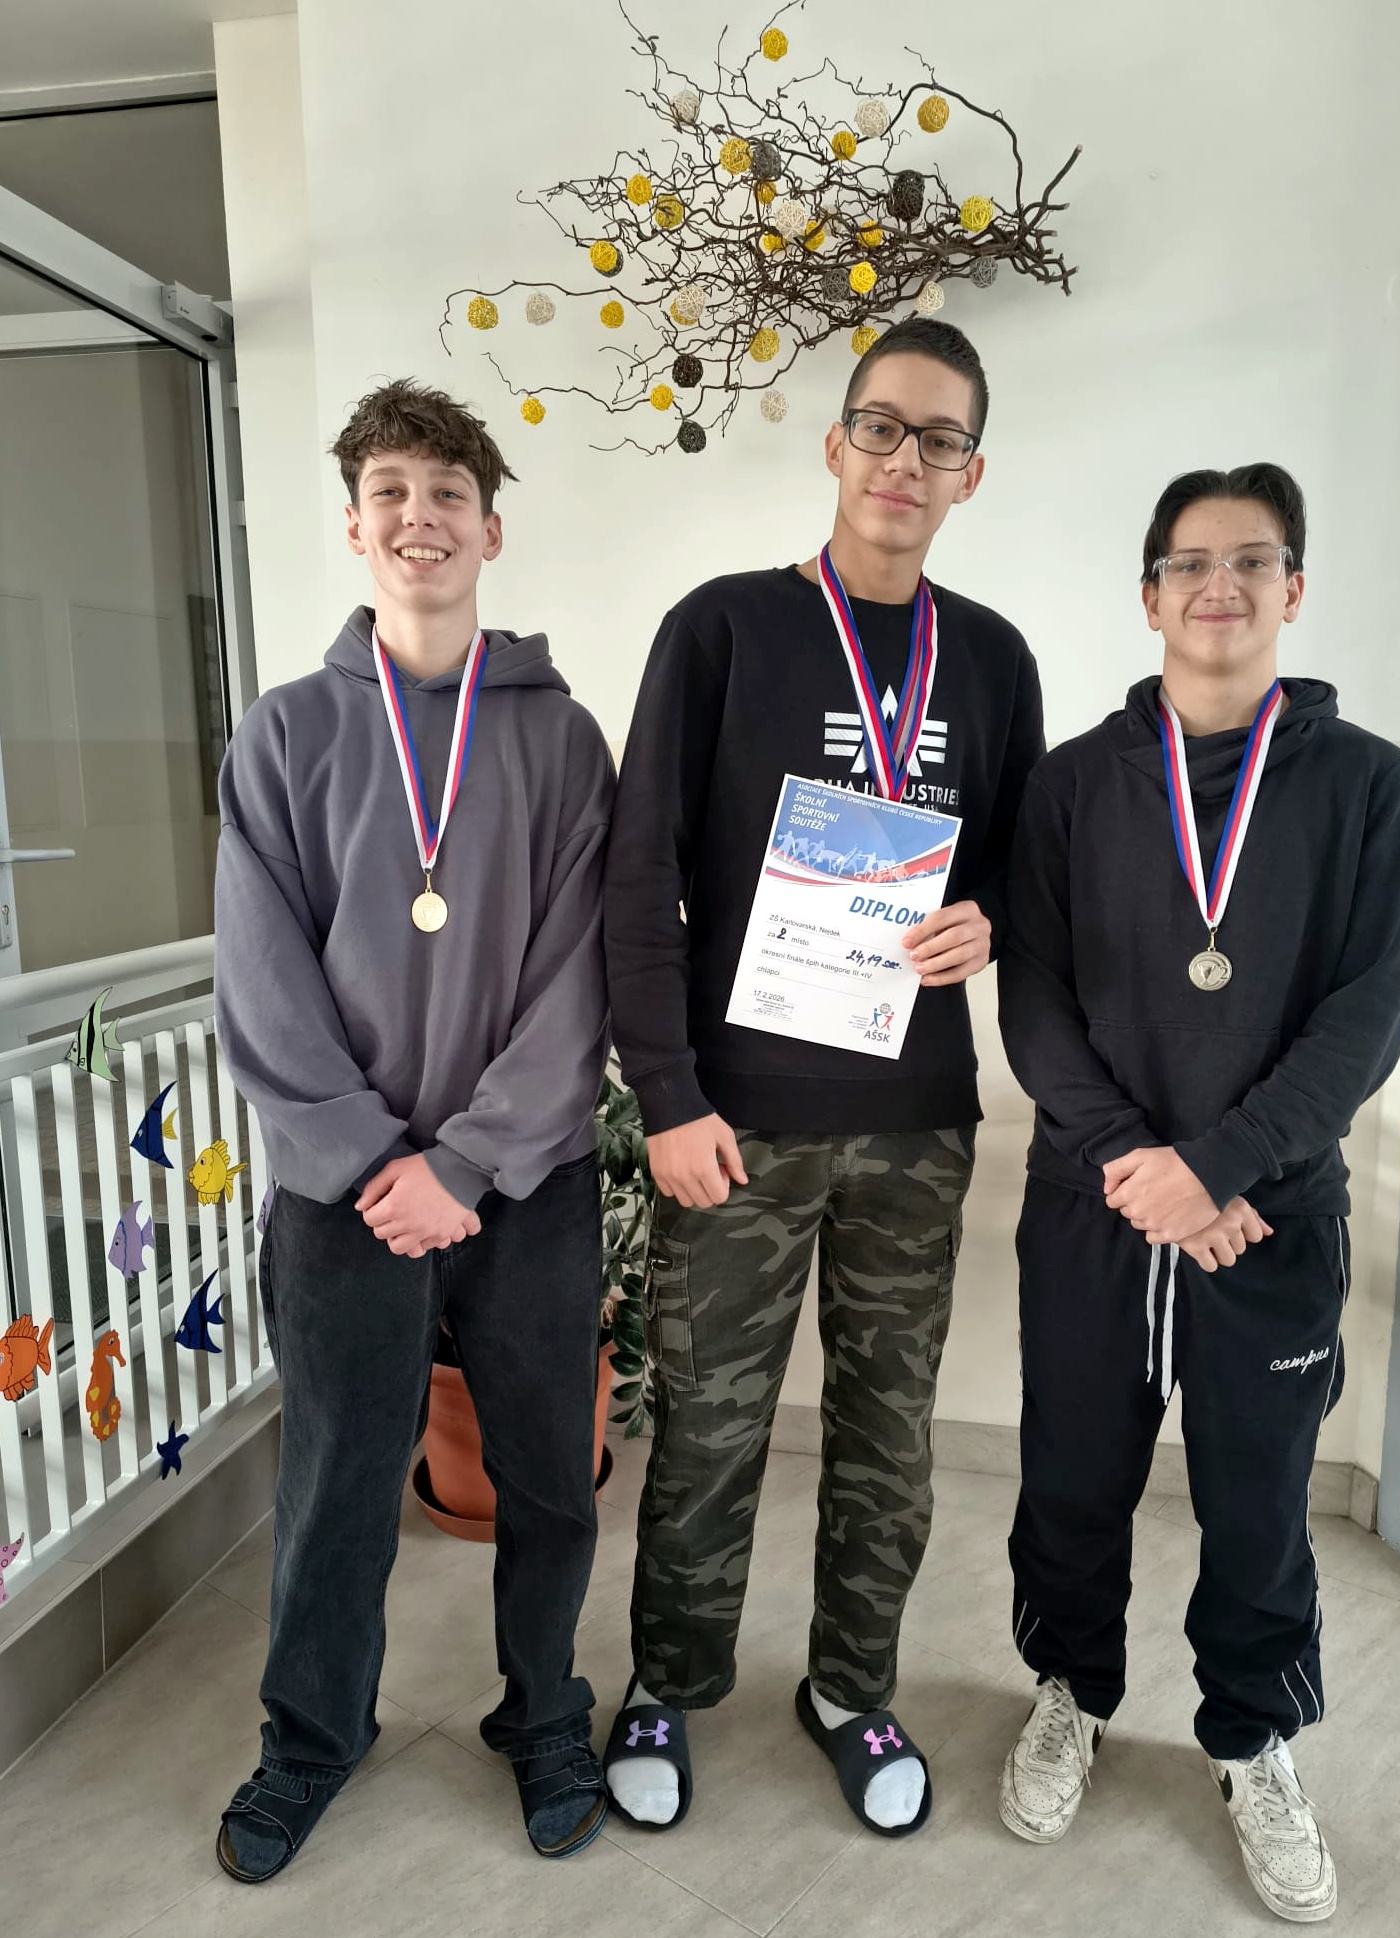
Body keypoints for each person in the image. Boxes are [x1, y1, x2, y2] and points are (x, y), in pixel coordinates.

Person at [601, 317, 1045, 1837]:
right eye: (882, 426)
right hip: (735, 1123)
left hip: (912, 1123)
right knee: (709, 1431)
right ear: (836, 442)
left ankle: (853, 1688)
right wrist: (667, 1097)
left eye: (940, 438)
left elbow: (1019, 866)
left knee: (888, 1439)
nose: (905, 459)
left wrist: (991, 918)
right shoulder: (722, 630)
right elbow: (638, 878)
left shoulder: (993, 658)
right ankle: (667, 1684)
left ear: (971, 472)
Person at [996, 463, 1400, 1922]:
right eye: (1189, 562)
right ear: (1149, 596)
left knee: (1258, 1500)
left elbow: (1365, 1013)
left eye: (1251, 560)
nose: (1218, 586)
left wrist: (1221, 1171)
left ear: (1293, 589)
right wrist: (1151, 1172)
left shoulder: (1368, 784)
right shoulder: (1070, 784)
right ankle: (1069, 1689)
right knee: (1071, 1474)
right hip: (1096, 1203)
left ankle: (1250, 1736)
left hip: (1269, 1213)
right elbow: (1035, 997)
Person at [212, 379, 614, 1879]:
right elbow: (260, 977)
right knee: (334, 1479)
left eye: (448, 493)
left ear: (490, 530)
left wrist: (467, 1162)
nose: (419, 517)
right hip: (346, 1191)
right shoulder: (288, 733)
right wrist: (380, 1161)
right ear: (353, 526)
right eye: (390, 491)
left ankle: (546, 1712)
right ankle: (311, 1736)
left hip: (526, 1181)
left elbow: (580, 977)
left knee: (548, 1475)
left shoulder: (562, 740)